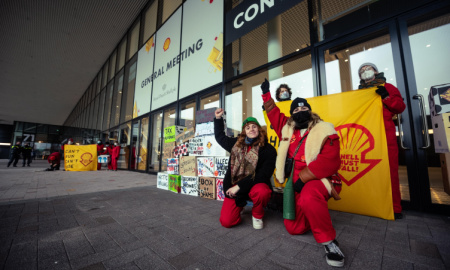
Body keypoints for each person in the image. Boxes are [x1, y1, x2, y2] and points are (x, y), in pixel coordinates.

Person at [261, 78, 344, 267]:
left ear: (309, 110)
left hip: (318, 177)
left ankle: (330, 242)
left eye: (303, 108)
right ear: (292, 115)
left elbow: (330, 161)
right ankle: (313, 214)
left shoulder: (324, 128)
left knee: (309, 196)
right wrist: (266, 94)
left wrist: (304, 178)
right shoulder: (288, 128)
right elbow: (274, 113)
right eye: (296, 110)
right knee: (294, 228)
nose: (300, 111)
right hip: (294, 180)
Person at [214, 108, 277, 230]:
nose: (251, 129)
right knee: (227, 222)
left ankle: (257, 214)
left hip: (255, 184)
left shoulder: (269, 149)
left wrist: (239, 186)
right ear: (244, 131)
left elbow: (263, 175)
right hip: (235, 187)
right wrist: (218, 119)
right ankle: (240, 206)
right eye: (248, 128)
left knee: (262, 192)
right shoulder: (236, 144)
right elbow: (220, 137)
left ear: (259, 129)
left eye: (254, 126)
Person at [358, 63, 406, 220]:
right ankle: (373, 204)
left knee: (390, 172)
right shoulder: (358, 93)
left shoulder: (388, 87)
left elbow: (399, 107)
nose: (366, 72)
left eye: (368, 69)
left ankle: (394, 207)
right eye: (362, 71)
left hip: (386, 136)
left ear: (376, 71)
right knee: (369, 172)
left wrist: (385, 96)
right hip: (367, 138)